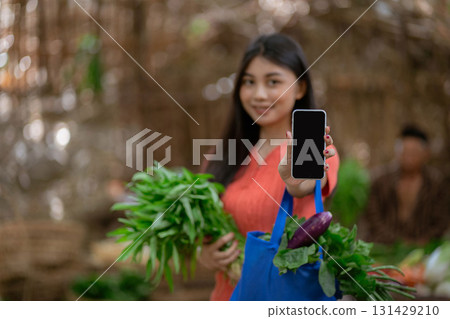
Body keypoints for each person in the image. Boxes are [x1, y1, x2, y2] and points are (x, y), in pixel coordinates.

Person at [198, 33, 340, 301]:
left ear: (300, 88)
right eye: (249, 82)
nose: (259, 94)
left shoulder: (315, 147)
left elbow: (308, 185)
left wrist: (295, 181)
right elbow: (205, 231)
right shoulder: (223, 155)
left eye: (273, 82)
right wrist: (205, 255)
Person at [361, 124, 449, 245]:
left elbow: (441, 220)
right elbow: (373, 218)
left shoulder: (436, 183)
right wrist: (396, 243)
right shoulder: (380, 180)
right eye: (404, 152)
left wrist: (422, 242)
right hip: (383, 247)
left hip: (423, 250)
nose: (408, 158)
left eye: (414, 153)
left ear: (426, 154)